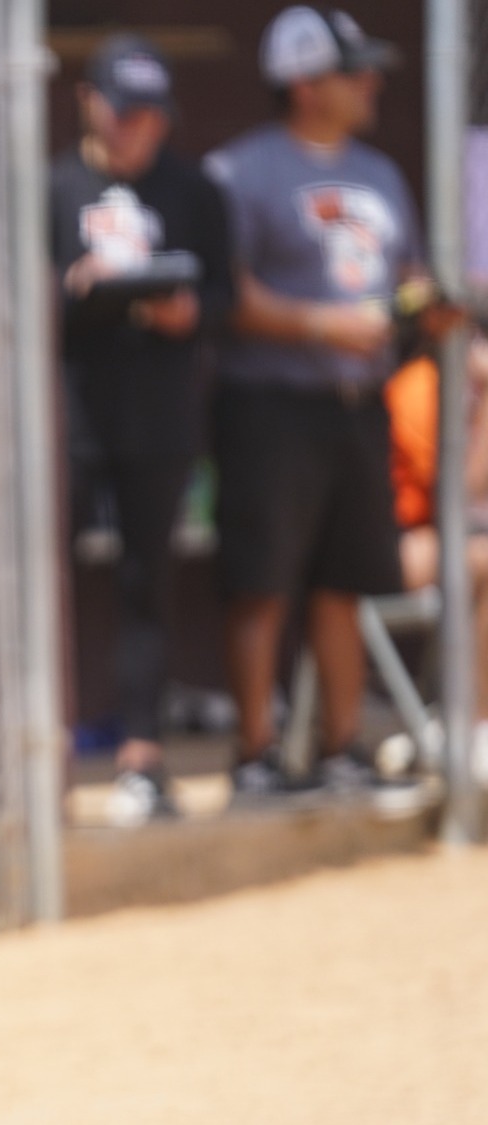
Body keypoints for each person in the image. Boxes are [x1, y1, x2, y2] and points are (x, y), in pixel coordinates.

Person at [204, 6, 458, 800]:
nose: (372, 83)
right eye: (355, 72)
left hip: (358, 404)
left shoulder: (380, 174)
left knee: (344, 582)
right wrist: (321, 323)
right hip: (270, 402)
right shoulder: (240, 171)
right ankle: (256, 755)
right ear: (306, 85)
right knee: (261, 581)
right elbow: (228, 293)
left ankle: (342, 748)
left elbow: (407, 276)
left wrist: (427, 308)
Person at [50, 34, 232, 824]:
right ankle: (44, 760)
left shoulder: (192, 191)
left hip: (159, 418)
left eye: (153, 116)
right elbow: (17, 301)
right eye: (126, 113)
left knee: (145, 582)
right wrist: (77, 289)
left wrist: (186, 310)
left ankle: (143, 760)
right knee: (45, 583)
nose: (139, 130)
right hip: (70, 417)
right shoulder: (54, 187)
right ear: (88, 103)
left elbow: (224, 297)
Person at [388, 331, 488, 775]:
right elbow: (456, 499)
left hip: (453, 539)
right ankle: (475, 730)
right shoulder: (419, 386)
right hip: (398, 542)